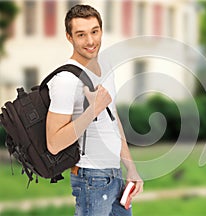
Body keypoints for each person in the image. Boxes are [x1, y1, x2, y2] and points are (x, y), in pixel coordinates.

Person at [46, 4, 143, 216]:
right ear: (69, 37)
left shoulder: (106, 71)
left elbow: (113, 121)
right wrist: (93, 110)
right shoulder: (66, 80)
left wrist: (131, 168)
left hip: (114, 175)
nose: (90, 41)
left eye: (94, 32)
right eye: (81, 34)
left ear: (101, 30)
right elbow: (53, 143)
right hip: (90, 178)